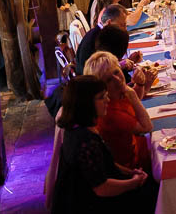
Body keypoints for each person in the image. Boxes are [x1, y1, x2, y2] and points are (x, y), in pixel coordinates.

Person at [49, 76, 156, 213]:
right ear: (85, 103)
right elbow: (102, 188)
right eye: (101, 97)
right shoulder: (85, 141)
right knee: (152, 193)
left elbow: (103, 162)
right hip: (89, 205)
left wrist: (130, 172)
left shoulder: (78, 127)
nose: (108, 100)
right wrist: (133, 183)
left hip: (90, 196)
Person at [83, 51, 153, 170]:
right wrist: (131, 91)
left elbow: (132, 104)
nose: (117, 79)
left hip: (139, 147)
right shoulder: (109, 112)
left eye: (116, 72)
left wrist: (141, 85)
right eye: (109, 80)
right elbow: (147, 127)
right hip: (134, 168)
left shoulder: (112, 95)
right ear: (100, 86)